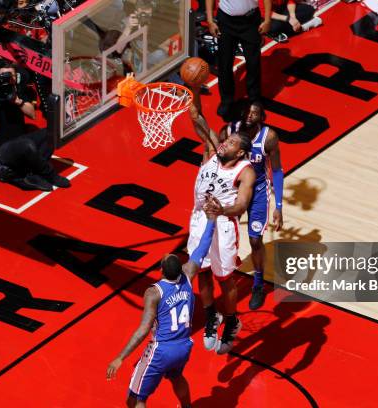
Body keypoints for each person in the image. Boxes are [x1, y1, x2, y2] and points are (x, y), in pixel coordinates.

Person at [106, 198, 219, 408]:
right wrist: (212, 220)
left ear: (161, 271)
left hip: (161, 350)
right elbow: (203, 247)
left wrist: (120, 357)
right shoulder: (188, 274)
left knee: (135, 399)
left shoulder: (154, 292)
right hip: (184, 346)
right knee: (176, 377)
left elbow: (143, 330)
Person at [188, 90, 255, 354]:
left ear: (240, 153)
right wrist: (193, 87)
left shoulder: (245, 171)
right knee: (201, 273)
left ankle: (230, 322)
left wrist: (223, 210)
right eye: (226, 141)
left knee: (225, 279)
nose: (225, 144)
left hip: (223, 225)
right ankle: (210, 318)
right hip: (198, 219)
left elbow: (241, 205)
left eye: (231, 144)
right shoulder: (213, 150)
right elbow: (196, 116)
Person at [225, 101, 284, 310]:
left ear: (262, 117)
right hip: (236, 189)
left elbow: (276, 170)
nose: (250, 115)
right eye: (248, 111)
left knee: (255, 239)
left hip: (258, 191)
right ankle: (227, 275)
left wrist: (279, 205)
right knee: (227, 235)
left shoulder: (268, 137)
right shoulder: (230, 130)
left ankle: (258, 284)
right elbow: (221, 159)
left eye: (255, 113)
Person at [0, 63, 70, 191]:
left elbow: (32, 114)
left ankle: (34, 173)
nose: (7, 79)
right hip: (3, 152)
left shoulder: (18, 91)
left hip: (22, 143)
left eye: (10, 76)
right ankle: (49, 174)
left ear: (16, 77)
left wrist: (18, 101)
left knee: (52, 132)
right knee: (26, 144)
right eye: (3, 76)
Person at [206, 0, 272, 120]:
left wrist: (267, 20)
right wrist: (210, 21)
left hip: (250, 21)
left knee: (253, 63)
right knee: (224, 63)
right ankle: (227, 100)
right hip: (226, 21)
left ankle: (254, 99)